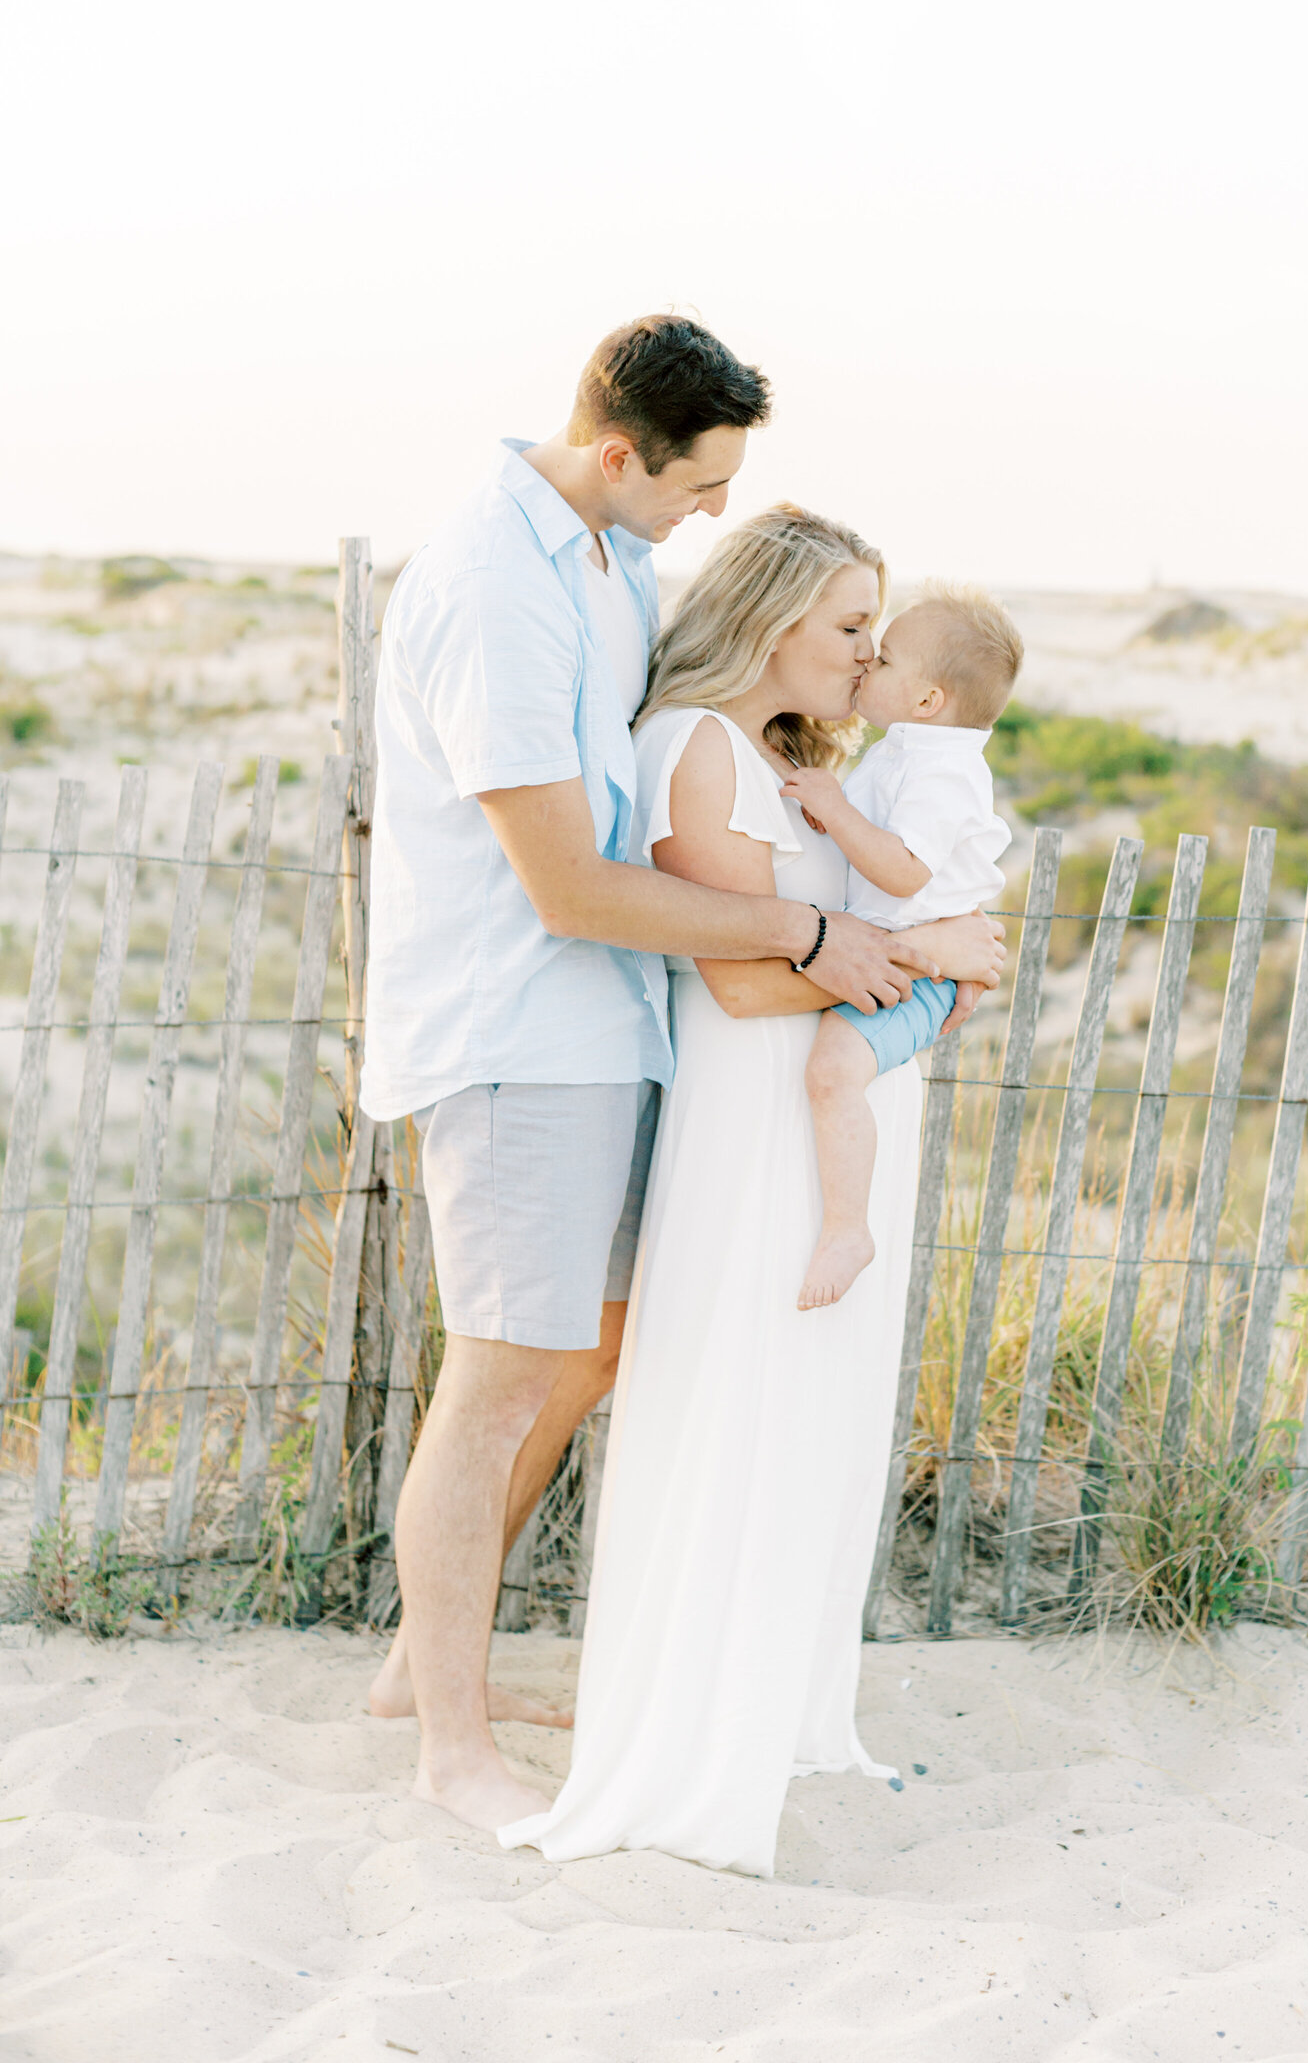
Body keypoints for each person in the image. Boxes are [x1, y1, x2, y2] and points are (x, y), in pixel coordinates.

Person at [358, 318, 1004, 1834]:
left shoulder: (604, 566)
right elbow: (571, 889)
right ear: (615, 452)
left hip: (613, 1027)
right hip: (517, 1028)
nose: (709, 516)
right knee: (505, 1373)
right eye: (700, 484)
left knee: (581, 1357)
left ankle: (411, 1669)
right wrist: (818, 928)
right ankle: (450, 1745)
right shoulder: (493, 586)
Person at [499, 506, 1003, 1878]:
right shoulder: (695, 750)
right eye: (849, 626)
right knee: (745, 1400)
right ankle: (692, 1728)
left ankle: (779, 1709)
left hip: (828, 1109)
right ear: (771, 620)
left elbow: (865, 932)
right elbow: (732, 976)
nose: (865, 653)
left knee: (816, 1414)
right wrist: (922, 951)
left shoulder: (787, 760)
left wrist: (927, 961)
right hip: (760, 1116)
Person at [782, 587, 1021, 1307]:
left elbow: (905, 867)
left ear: (926, 699)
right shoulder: (911, 751)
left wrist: (832, 809)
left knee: (831, 1073)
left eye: (883, 659)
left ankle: (849, 1229)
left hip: (919, 977)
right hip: (915, 953)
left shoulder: (941, 770)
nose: (867, 662)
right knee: (832, 1071)